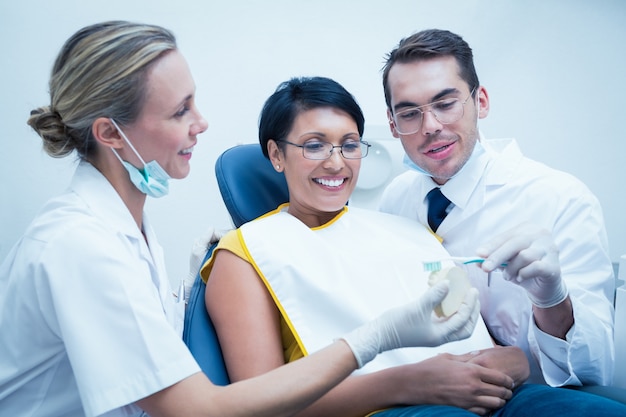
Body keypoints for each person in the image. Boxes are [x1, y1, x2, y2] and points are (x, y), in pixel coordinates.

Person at [0, 22, 481, 417]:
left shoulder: (127, 231)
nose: (201, 122)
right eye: (179, 110)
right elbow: (198, 409)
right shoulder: (79, 245)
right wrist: (378, 341)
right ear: (110, 133)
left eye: (349, 143)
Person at [203, 76, 624, 417]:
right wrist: (411, 383)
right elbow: (255, 406)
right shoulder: (244, 252)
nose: (336, 162)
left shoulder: (406, 228)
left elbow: (478, 340)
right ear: (276, 155)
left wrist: (513, 361)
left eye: (350, 144)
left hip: (495, 398)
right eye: (314, 145)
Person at [380, 27, 620, 401]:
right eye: (410, 113)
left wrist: (552, 299)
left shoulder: (560, 198)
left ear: (482, 102)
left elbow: (597, 370)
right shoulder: (395, 200)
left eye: (446, 103)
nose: (431, 127)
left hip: (530, 401)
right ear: (393, 125)